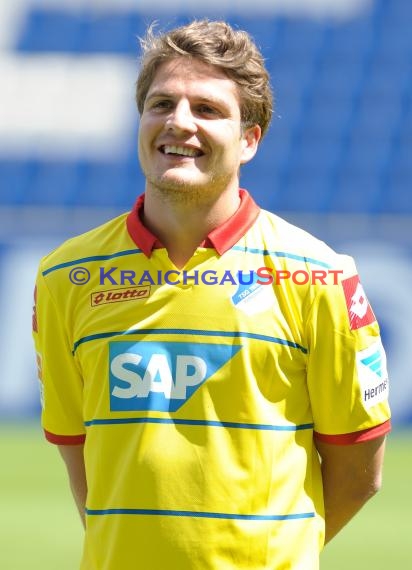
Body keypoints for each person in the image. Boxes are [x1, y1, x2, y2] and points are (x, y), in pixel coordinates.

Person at [32, 19, 391, 570]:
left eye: (207, 109)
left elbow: (359, 468)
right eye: (161, 104)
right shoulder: (66, 276)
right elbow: (80, 456)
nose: (179, 122)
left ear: (249, 139)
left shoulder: (318, 275)